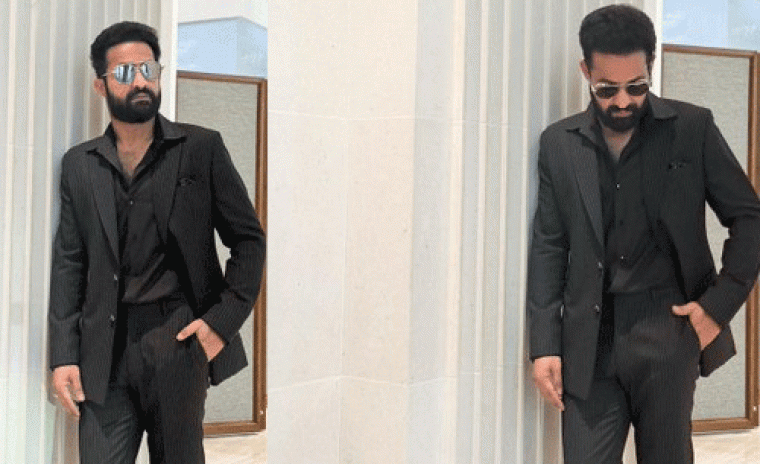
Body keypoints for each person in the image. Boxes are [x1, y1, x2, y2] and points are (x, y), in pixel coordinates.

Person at [527, 5, 760, 464]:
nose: (622, 101)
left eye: (636, 87)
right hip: (587, 345)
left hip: (668, 333)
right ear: (585, 71)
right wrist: (545, 344)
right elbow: (550, 246)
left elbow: (749, 217)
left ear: (650, 67)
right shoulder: (559, 144)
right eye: (606, 89)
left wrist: (716, 308)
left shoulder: (691, 128)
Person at [48, 21, 266, 463]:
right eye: (125, 73)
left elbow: (248, 240)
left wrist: (220, 324)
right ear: (101, 85)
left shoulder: (201, 148)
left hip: (177, 341)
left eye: (148, 69)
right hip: (103, 352)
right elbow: (70, 262)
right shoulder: (80, 165)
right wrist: (64, 355)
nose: (140, 82)